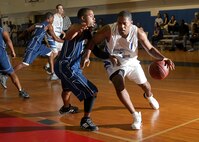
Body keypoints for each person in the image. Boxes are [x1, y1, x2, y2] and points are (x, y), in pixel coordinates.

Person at [81, 10, 175, 130]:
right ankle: (135, 115)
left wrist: (163, 58)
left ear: (131, 23)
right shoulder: (108, 29)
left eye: (125, 23)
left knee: (146, 86)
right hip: (114, 61)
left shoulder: (138, 32)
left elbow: (150, 48)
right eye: (119, 23)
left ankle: (149, 96)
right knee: (118, 83)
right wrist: (87, 55)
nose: (122, 26)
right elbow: (93, 41)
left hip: (132, 61)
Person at [54, 8, 106, 131]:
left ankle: (66, 107)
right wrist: (79, 28)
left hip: (67, 66)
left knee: (67, 89)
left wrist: (108, 56)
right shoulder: (76, 27)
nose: (94, 18)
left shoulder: (87, 31)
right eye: (91, 16)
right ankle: (85, 121)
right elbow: (69, 35)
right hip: (67, 67)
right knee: (92, 92)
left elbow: (95, 49)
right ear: (83, 18)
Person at [13, 12, 63, 77]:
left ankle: (52, 73)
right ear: (49, 18)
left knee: (51, 53)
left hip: (38, 45)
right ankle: (6, 74)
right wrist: (66, 41)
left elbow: (26, 31)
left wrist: (20, 36)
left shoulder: (36, 24)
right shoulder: (48, 25)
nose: (53, 20)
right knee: (25, 64)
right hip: (33, 46)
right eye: (52, 18)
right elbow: (56, 38)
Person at [0, 26, 29, 99]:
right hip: (1, 56)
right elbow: (8, 40)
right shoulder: (2, 31)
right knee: (11, 73)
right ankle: (21, 91)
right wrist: (12, 51)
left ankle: (2, 75)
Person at [44, 4, 65, 80]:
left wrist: (63, 32)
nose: (61, 10)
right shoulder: (54, 17)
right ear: (57, 10)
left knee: (61, 52)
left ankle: (50, 66)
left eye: (62, 9)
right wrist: (47, 39)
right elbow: (49, 26)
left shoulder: (61, 18)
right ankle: (49, 66)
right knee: (55, 53)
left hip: (57, 37)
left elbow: (59, 28)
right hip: (53, 37)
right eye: (59, 9)